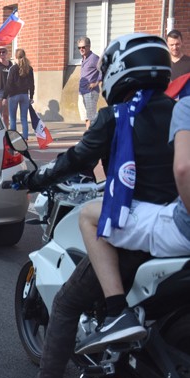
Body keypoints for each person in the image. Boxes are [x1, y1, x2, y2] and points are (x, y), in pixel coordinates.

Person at [0, 33, 177, 378]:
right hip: (177, 225)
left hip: (139, 231)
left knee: (65, 303)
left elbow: (78, 159)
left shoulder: (115, 117)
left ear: (119, 70)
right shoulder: (178, 110)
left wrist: (33, 180)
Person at [74, 94, 190, 354]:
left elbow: (183, 169)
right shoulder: (171, 105)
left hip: (182, 229)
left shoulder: (185, 105)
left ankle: (116, 311)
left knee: (89, 216)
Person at [5, 49, 34, 140]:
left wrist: (5, 96)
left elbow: (9, 83)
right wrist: (31, 96)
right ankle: (25, 138)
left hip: (14, 95)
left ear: (15, 57)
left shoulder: (13, 68)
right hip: (25, 95)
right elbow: (32, 84)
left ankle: (14, 139)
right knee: (24, 118)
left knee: (13, 119)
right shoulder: (29, 68)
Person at [77, 36, 101, 129]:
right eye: (79, 48)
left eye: (83, 47)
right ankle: (87, 137)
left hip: (90, 92)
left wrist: (96, 83)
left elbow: (104, 70)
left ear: (89, 46)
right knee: (86, 118)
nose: (81, 49)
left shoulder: (94, 58)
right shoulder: (83, 59)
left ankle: (93, 139)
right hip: (81, 92)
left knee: (91, 117)